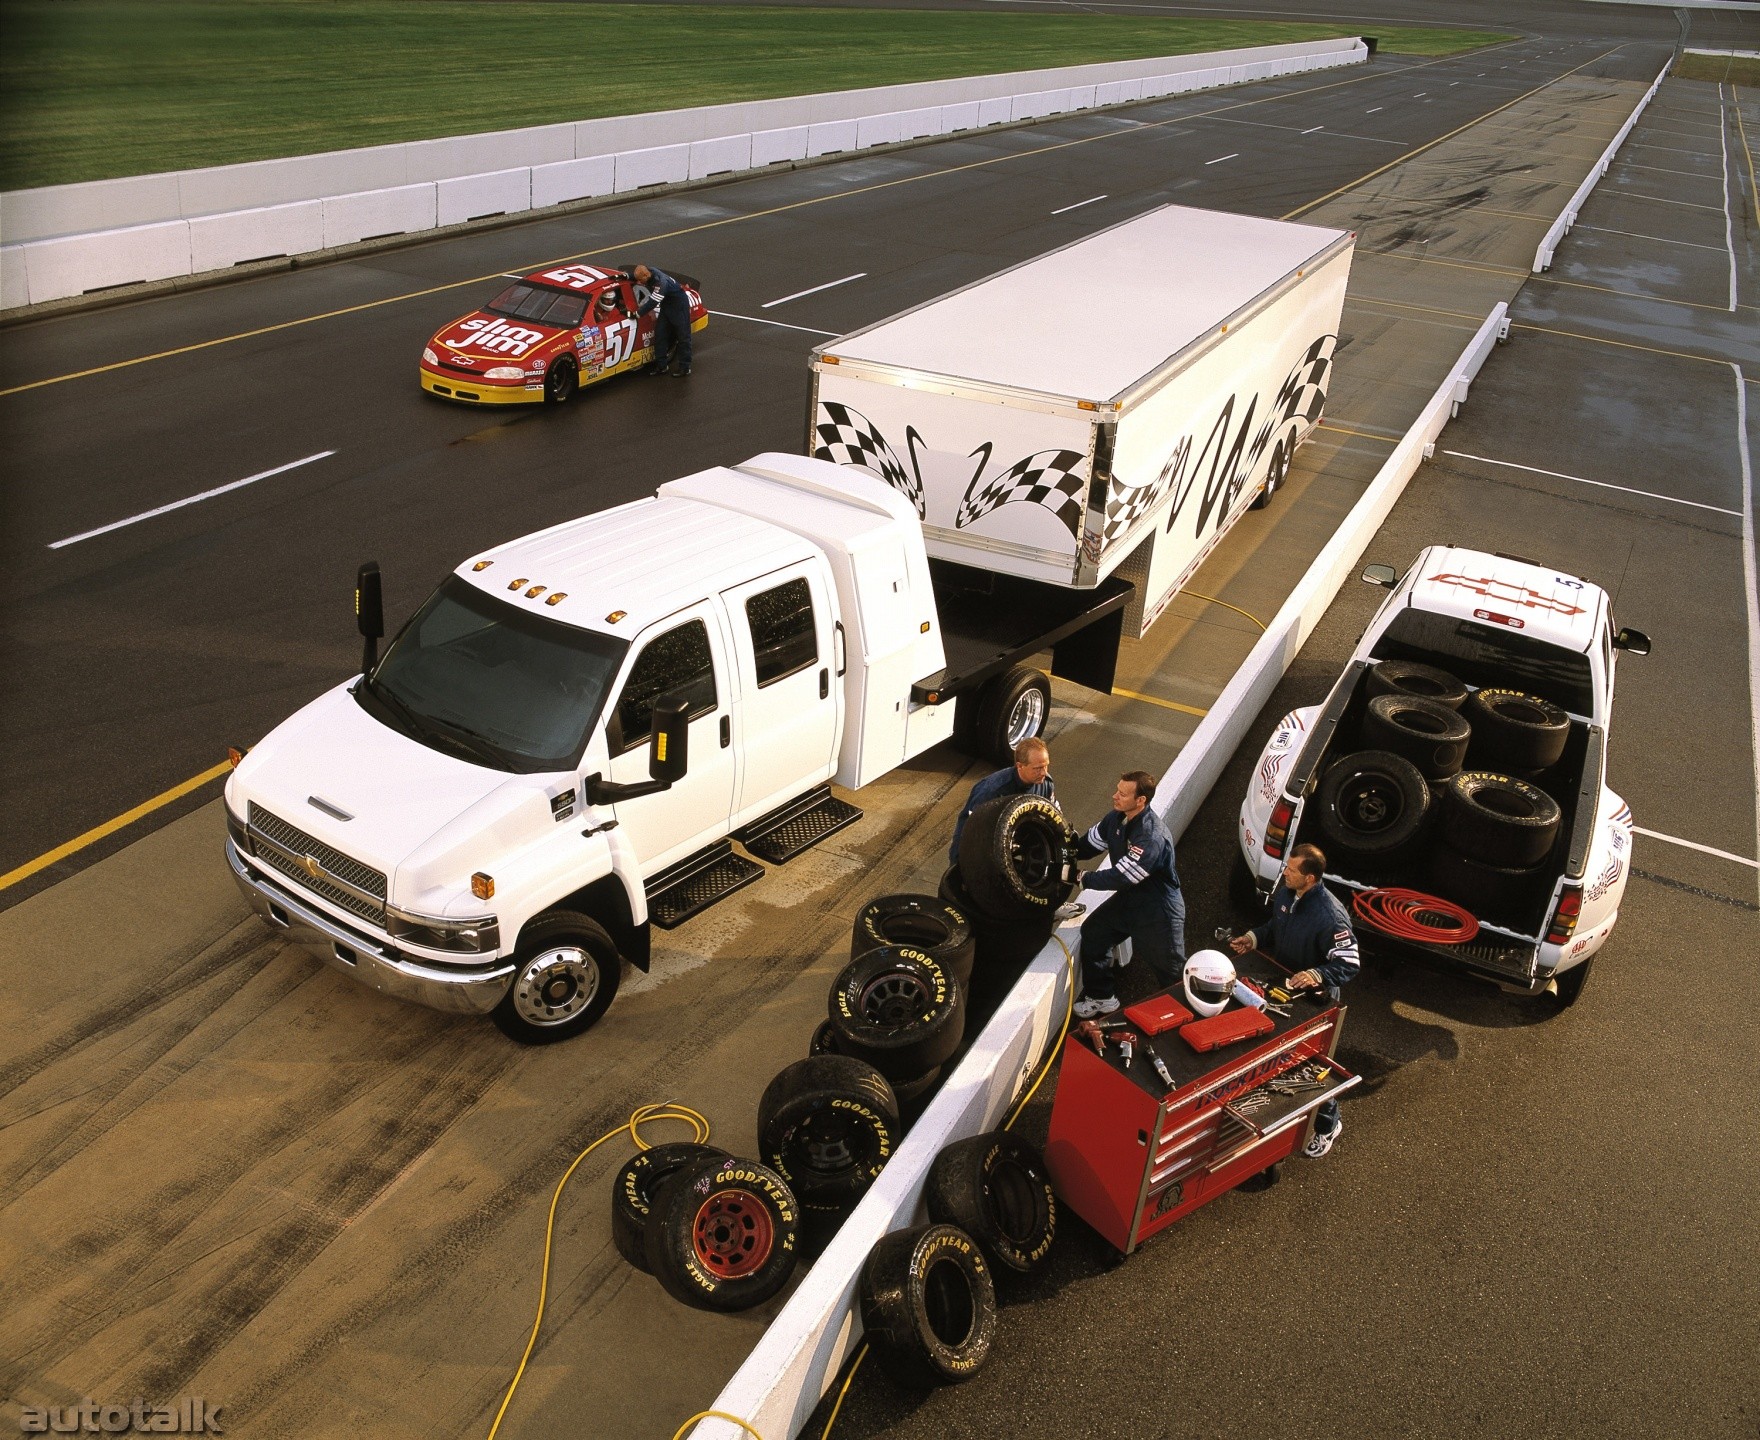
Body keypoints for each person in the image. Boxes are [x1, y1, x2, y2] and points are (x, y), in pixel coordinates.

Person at [1229, 841, 1360, 1158]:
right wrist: (1254, 937)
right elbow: (1277, 924)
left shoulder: (1331, 918)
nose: (1284, 871)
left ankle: (1328, 1125)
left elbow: (1350, 963)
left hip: (1315, 1000)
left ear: (1310, 878)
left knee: (1310, 1067)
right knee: (1276, 1056)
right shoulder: (1288, 891)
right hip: (1282, 984)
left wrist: (1317, 975)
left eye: (1291, 869)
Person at [1070, 771, 1186, 1019]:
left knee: (1171, 972)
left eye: (1122, 794)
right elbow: (1088, 845)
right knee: (1094, 933)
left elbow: (1121, 876)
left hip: (1159, 911)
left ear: (1141, 800)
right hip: (1131, 900)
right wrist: (1063, 850)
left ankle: (1184, 1018)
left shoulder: (1151, 836)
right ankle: (1102, 997)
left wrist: (1081, 878)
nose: (1115, 796)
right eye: (1117, 790)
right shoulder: (1116, 819)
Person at [949, 737, 1055, 864]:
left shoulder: (1046, 784)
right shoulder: (991, 790)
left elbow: (1052, 814)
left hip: (1016, 837)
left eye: (1046, 766)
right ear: (1020, 766)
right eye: (1038, 768)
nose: (1044, 772)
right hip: (977, 841)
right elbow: (973, 830)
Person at [632, 264, 693, 376]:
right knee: (660, 335)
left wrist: (637, 314)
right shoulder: (648, 272)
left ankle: (685, 367)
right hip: (666, 306)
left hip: (679, 307)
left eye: (640, 280)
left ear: (646, 275)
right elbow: (637, 276)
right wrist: (627, 276)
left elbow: (653, 302)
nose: (639, 283)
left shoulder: (661, 282)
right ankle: (662, 366)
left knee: (683, 337)